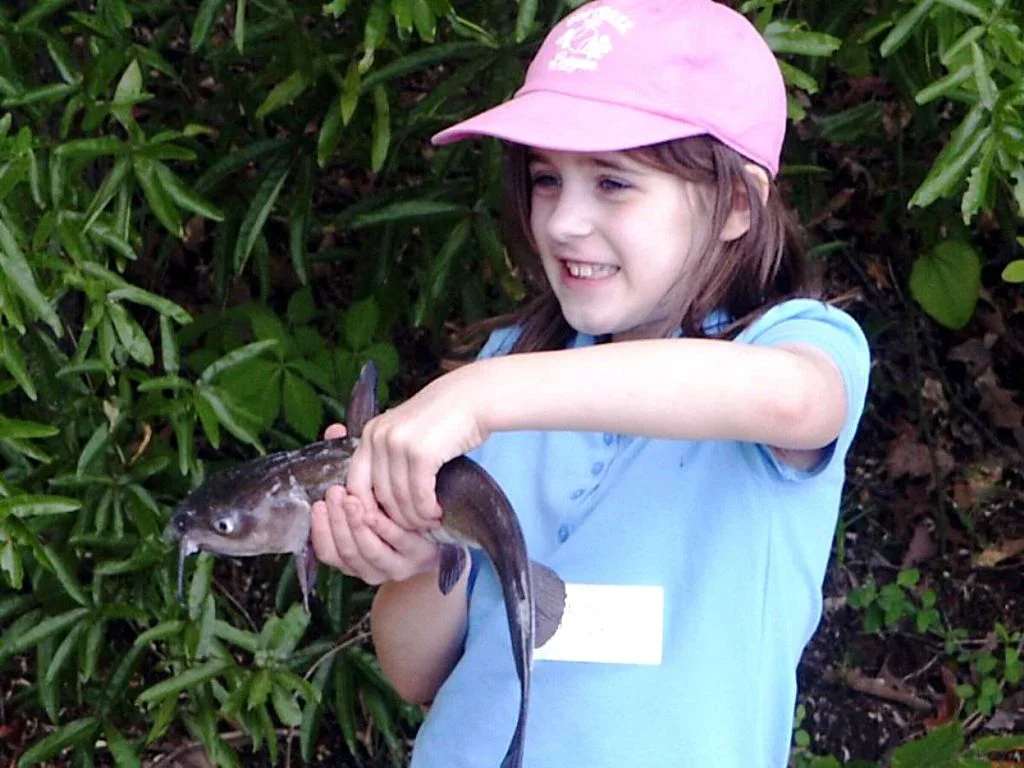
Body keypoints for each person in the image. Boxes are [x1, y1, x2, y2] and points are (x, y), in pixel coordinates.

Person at [310, 0, 871, 765]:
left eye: (612, 182)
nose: (562, 222)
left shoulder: (792, 345)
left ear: (737, 203)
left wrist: (478, 397)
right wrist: (413, 561)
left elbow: (794, 400)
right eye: (547, 179)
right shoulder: (513, 360)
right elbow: (418, 676)